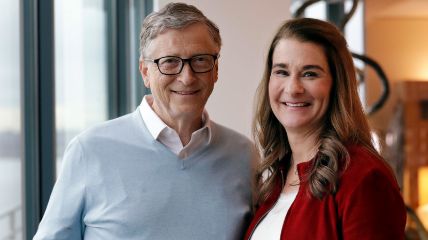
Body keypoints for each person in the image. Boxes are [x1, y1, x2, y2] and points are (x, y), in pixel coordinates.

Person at [34, 3, 256, 240]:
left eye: (200, 60)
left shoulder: (244, 156)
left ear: (216, 70)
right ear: (145, 72)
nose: (187, 77)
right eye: (170, 62)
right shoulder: (89, 150)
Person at [244, 18, 407, 240]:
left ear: (337, 84)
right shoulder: (275, 178)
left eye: (310, 73)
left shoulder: (364, 177)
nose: (293, 88)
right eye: (282, 72)